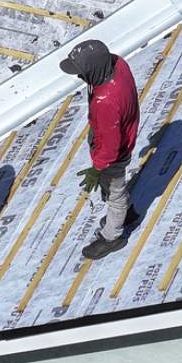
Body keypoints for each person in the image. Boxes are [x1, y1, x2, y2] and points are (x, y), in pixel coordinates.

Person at [59, 38, 140, 261]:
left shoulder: (104, 101)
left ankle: (112, 236)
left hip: (114, 153)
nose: (78, 76)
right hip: (122, 131)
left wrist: (97, 168)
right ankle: (127, 213)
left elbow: (111, 147)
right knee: (113, 187)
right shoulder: (118, 63)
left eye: (81, 71)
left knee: (114, 192)